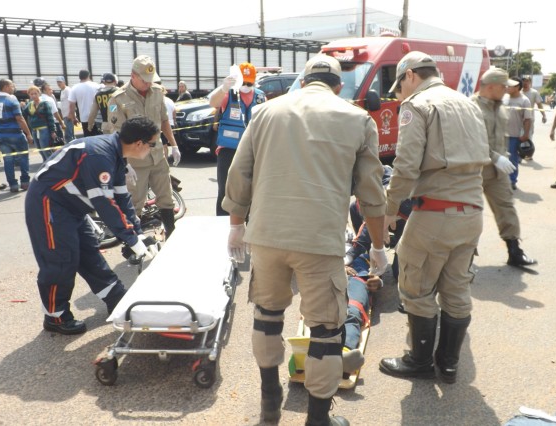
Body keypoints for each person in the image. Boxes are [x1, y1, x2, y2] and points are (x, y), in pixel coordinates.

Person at [223, 54, 388, 426]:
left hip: (266, 235)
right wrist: (377, 247)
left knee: (266, 317)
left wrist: (236, 225)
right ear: (337, 85)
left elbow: (239, 173)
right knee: (326, 331)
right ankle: (317, 420)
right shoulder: (356, 118)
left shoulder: (266, 112)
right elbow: (371, 193)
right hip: (319, 241)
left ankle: (270, 404)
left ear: (302, 79)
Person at [378, 51, 490, 385]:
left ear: (410, 75)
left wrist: (389, 211)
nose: (400, 94)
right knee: (456, 289)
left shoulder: (418, 104)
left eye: (399, 86)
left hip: (435, 214)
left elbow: (406, 165)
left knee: (416, 287)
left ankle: (419, 360)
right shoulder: (468, 103)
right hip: (472, 212)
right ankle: (450, 364)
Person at [24, 117, 161, 335]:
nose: (152, 149)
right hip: (48, 203)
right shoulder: (100, 155)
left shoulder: (116, 155)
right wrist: (131, 239)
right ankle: (55, 316)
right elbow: (105, 204)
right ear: (139, 143)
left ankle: (116, 298)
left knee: (89, 253)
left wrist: (138, 232)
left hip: (71, 207)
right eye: (152, 144)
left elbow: (121, 198)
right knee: (61, 260)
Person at [108, 55, 181, 239]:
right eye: (144, 80)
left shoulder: (157, 92)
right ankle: (134, 243)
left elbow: (164, 120)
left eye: (151, 80)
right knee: (134, 203)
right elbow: (117, 133)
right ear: (133, 76)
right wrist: (124, 163)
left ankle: (171, 236)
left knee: (166, 197)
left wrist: (174, 145)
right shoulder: (117, 99)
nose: (148, 84)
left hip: (157, 156)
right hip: (135, 161)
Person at [472, 68, 537, 267]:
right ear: (491, 86)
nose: (507, 91)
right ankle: (463, 258)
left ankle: (514, 251)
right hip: (474, 171)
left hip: (497, 170)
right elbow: (471, 141)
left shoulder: (501, 107)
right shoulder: (471, 108)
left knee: (506, 206)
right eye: (504, 87)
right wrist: (495, 157)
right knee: (469, 214)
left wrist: (504, 155)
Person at [209, 62, 266, 215]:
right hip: (228, 150)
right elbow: (213, 102)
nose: (246, 85)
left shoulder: (260, 95)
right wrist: (223, 88)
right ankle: (222, 222)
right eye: (243, 82)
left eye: (249, 82)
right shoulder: (228, 94)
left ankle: (247, 222)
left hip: (251, 150)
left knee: (249, 190)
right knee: (225, 189)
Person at [0, 78, 34, 193]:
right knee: (23, 158)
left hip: (2, 135)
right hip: (16, 134)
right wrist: (28, 133)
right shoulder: (12, 100)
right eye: (12, 86)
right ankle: (25, 183)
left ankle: (13, 185)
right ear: (6, 87)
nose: (14, 88)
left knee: (8, 160)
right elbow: (20, 118)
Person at [502, 77, 532, 190]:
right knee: (500, 158)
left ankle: (512, 180)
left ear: (517, 87)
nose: (507, 87)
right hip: (501, 134)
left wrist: (526, 134)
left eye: (510, 86)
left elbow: (527, 119)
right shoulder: (504, 98)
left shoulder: (524, 101)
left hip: (514, 135)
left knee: (512, 159)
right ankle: (502, 180)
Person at [22, 85, 57, 161]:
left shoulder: (45, 104)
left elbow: (50, 118)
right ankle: (46, 164)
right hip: (34, 130)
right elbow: (22, 115)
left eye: (35, 93)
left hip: (44, 130)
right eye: (31, 94)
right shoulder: (29, 105)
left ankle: (50, 166)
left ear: (39, 93)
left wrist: (53, 131)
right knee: (39, 149)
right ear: (29, 95)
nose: (34, 95)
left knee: (46, 150)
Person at [68, 69, 100, 137]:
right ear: (89, 75)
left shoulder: (75, 88)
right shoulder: (96, 86)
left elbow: (71, 105)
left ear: (79, 77)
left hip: (85, 118)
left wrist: (74, 118)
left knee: (88, 139)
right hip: (97, 117)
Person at [521, 76, 547, 143]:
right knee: (519, 138)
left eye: (527, 81)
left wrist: (544, 115)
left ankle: (527, 152)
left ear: (530, 82)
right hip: (519, 120)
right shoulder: (519, 92)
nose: (525, 83)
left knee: (528, 138)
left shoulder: (534, 92)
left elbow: (539, 105)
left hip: (529, 120)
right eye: (524, 81)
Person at [56, 76, 75, 141]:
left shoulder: (67, 90)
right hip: (65, 116)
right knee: (69, 134)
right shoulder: (62, 91)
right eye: (57, 82)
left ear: (64, 82)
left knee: (68, 135)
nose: (59, 84)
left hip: (68, 115)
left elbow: (72, 102)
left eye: (60, 82)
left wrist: (70, 114)